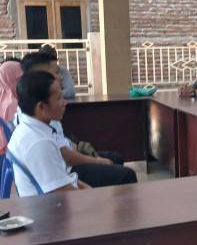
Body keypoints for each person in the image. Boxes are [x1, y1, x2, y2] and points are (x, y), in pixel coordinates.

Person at [20, 53, 137, 188]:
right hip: (68, 170)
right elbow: (63, 185)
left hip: (66, 171)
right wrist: (97, 162)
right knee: (125, 174)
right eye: (56, 72)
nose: (61, 77)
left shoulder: (37, 120)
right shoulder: (39, 141)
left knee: (115, 158)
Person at [7, 71, 91, 197]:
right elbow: (64, 192)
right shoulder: (39, 143)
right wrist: (95, 197)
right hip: (53, 207)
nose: (65, 103)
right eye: (59, 98)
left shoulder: (26, 129)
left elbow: (65, 181)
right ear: (41, 107)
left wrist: (92, 192)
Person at [0, 60, 23, 156]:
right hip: (16, 151)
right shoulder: (12, 104)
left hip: (8, 150)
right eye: (19, 79)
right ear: (10, 79)